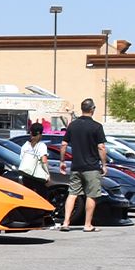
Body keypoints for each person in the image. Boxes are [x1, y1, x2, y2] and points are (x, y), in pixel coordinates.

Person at [59, 98, 106, 232]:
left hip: (76, 166)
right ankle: (87, 224)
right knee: (91, 195)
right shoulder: (97, 126)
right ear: (92, 109)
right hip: (91, 167)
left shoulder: (72, 125)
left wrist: (62, 162)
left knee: (72, 193)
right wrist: (104, 164)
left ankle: (66, 222)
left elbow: (63, 144)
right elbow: (101, 147)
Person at [16, 123, 50, 196]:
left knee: (28, 195)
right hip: (37, 177)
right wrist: (47, 174)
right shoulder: (41, 146)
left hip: (26, 175)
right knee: (41, 196)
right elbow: (44, 161)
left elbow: (22, 158)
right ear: (41, 133)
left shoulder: (25, 145)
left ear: (30, 132)